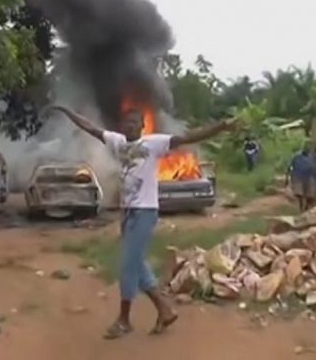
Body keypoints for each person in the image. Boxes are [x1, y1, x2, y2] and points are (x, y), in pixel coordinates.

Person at [50, 105, 237, 339]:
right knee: (138, 264)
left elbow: (189, 137)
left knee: (129, 265)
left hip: (145, 211)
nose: (129, 125)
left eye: (134, 122)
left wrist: (221, 126)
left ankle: (124, 320)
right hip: (128, 212)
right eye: (126, 122)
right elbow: (90, 128)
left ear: (142, 126)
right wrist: (67, 111)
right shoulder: (117, 142)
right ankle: (164, 310)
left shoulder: (154, 143)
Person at [286, 146, 316, 211]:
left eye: (308, 150)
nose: (307, 151)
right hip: (298, 177)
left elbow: (314, 168)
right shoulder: (297, 157)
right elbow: (290, 167)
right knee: (299, 194)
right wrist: (287, 178)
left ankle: (306, 207)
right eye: (306, 149)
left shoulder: (311, 158)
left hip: (308, 178)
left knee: (310, 196)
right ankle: (301, 205)